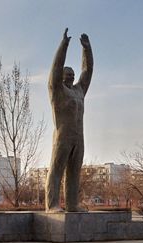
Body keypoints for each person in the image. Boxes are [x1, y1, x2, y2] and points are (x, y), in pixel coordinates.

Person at [45, 28, 93, 212]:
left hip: (78, 137)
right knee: (57, 170)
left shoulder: (79, 91)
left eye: (73, 75)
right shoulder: (57, 92)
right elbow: (55, 70)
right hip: (62, 136)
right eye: (68, 75)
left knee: (74, 172)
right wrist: (64, 45)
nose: (72, 77)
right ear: (62, 78)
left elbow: (87, 72)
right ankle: (52, 204)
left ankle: (72, 204)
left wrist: (87, 49)